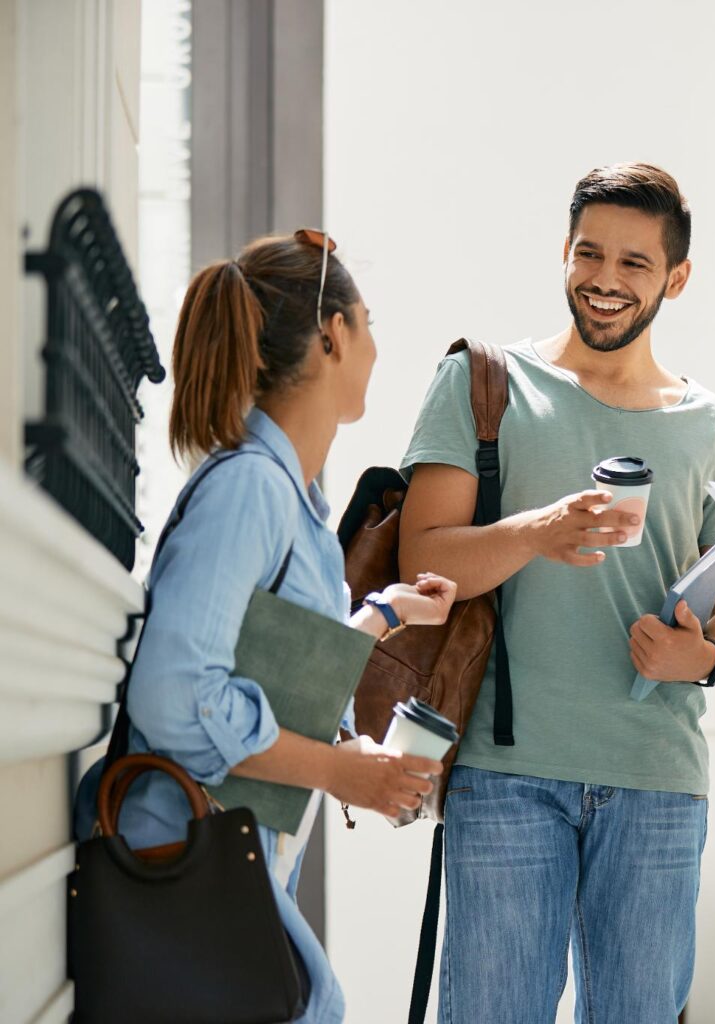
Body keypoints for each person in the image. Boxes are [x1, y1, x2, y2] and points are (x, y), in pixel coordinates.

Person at [397, 163, 715, 1023]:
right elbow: (424, 562)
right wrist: (535, 532)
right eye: (589, 253)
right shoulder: (483, 386)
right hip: (504, 775)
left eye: (635, 264)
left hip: (658, 779)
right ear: (563, 252)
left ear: (676, 277)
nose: (605, 280)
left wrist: (705, 656)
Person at [73, 231, 458, 1023]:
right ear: (333, 335)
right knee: (315, 1005)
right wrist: (338, 771)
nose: (377, 346)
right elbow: (178, 693)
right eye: (369, 320)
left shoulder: (296, 502)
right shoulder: (251, 488)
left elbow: (266, 653)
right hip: (178, 854)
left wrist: (383, 617)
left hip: (216, 854)